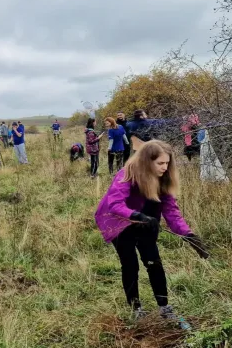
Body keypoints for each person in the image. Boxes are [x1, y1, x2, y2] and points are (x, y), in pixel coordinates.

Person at [94, 140, 209, 328]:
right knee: (130, 264)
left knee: (153, 262)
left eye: (167, 163)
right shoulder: (127, 174)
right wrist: (137, 216)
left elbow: (171, 211)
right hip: (119, 222)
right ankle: (136, 308)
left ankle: (165, 308)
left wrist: (188, 235)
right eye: (160, 163)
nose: (165, 167)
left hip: (146, 221)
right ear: (147, 162)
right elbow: (115, 204)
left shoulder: (164, 179)